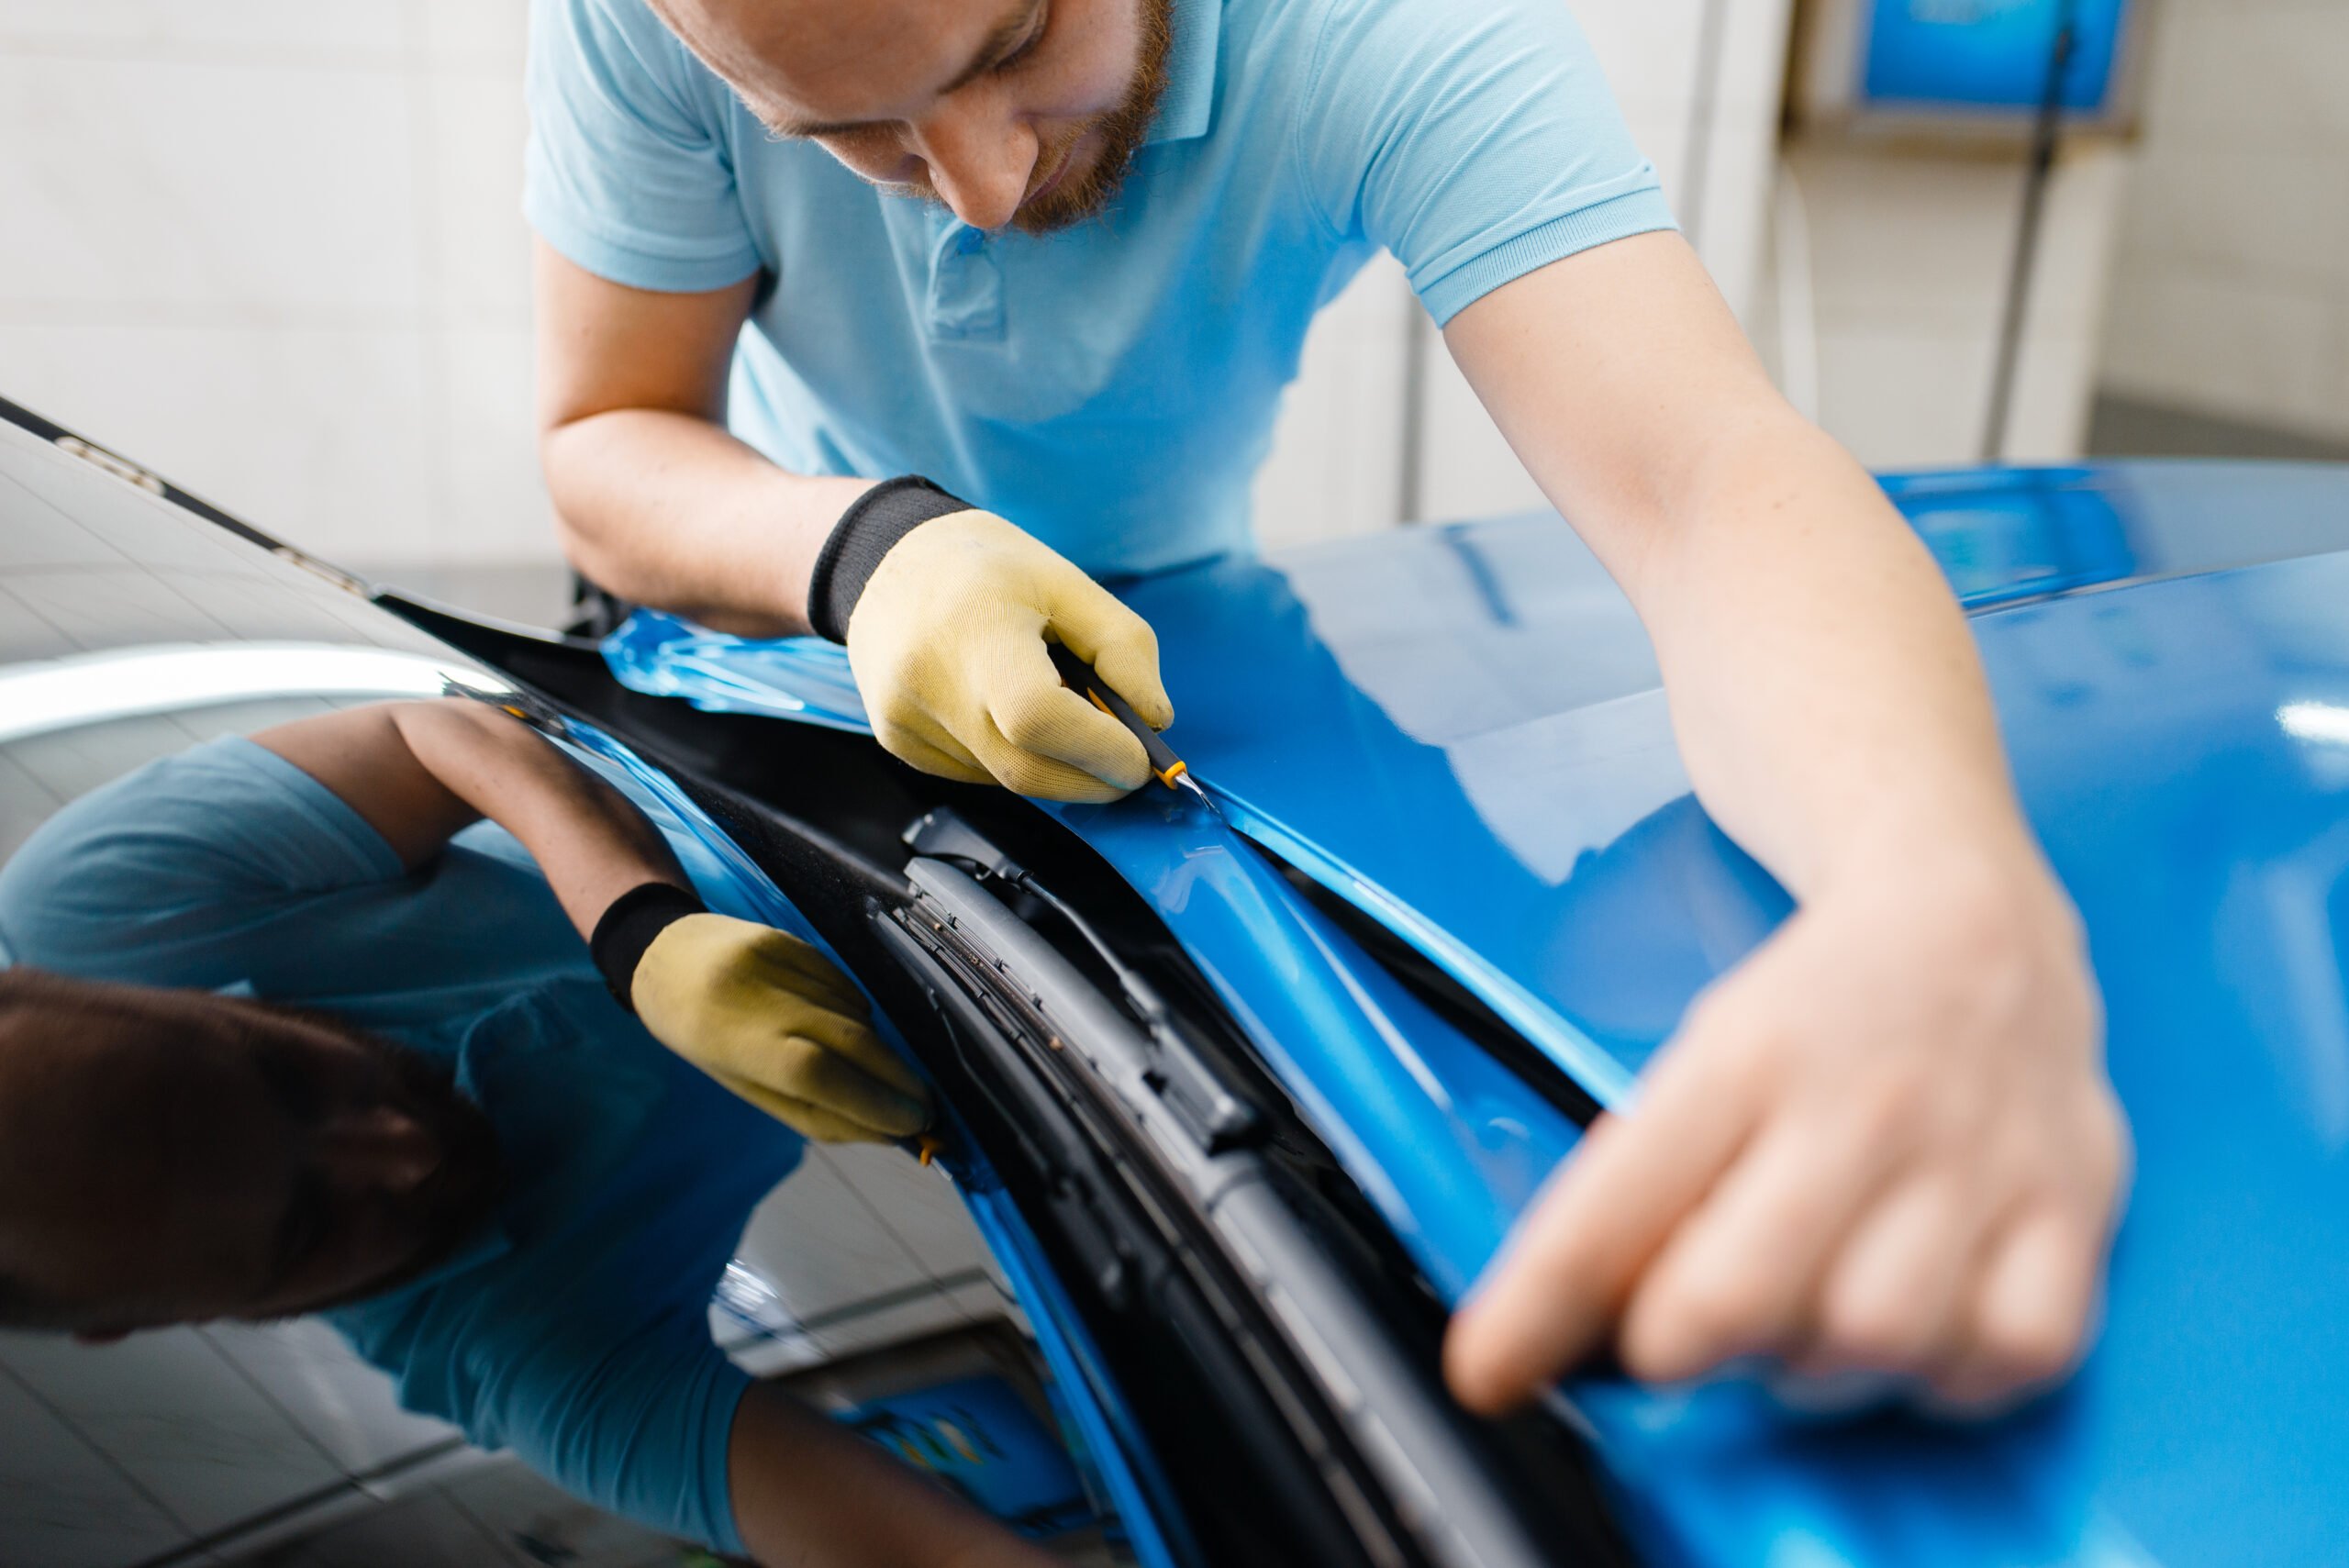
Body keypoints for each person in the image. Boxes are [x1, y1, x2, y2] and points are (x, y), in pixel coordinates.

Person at [523, 0, 2132, 1413]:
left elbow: (1701, 480)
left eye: (1016, 47)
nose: (981, 187)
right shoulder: (639, 16)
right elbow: (607, 435)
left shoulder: (1392, 30)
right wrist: (862, 549)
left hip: (1185, 626)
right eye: (852, 136)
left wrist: (1937, 889)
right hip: (775, 620)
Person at [0, 698, 1052, 1568]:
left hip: (835, 758)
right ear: (146, 1316)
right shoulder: (540, 1363)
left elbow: (437, 739)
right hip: (1035, 1022)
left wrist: (641, 931)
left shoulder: (104, 903)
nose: (399, 1146)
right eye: (310, 1226)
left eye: (285, 1077)